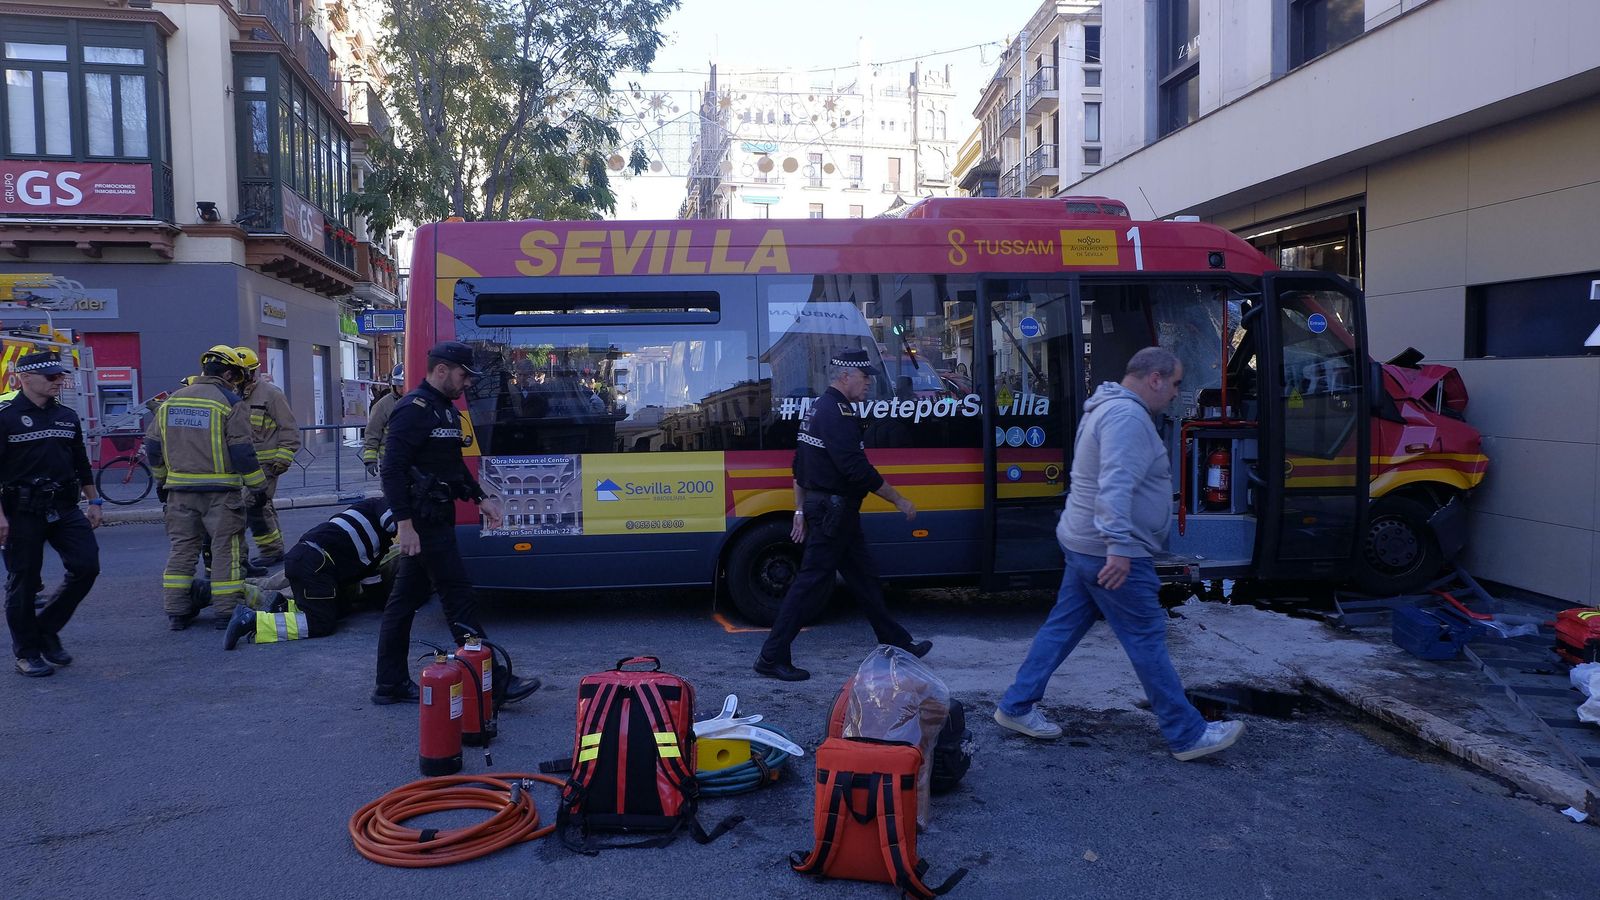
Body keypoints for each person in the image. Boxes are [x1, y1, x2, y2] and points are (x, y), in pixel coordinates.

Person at [992, 346, 1244, 761]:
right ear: (1155, 378)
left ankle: (1015, 705)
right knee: (1146, 638)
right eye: (1176, 383)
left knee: (1062, 627)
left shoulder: (1108, 407)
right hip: (1109, 550)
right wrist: (1121, 548)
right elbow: (1115, 484)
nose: (1177, 393)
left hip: (1084, 543)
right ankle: (1187, 735)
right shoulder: (1126, 417)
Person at [372, 341, 539, 705]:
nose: (467, 384)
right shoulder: (412, 410)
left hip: (438, 517)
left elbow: (451, 468)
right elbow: (392, 469)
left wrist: (480, 498)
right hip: (423, 521)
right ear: (442, 370)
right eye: (464, 375)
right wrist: (405, 523)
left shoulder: (444, 411)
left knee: (404, 603)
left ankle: (390, 684)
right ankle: (493, 683)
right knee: (458, 597)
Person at [753, 348, 930, 682]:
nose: (867, 385)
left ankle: (896, 641)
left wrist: (800, 509)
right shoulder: (838, 414)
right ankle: (771, 656)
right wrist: (899, 500)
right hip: (834, 512)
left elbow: (799, 466)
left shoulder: (818, 409)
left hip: (834, 511)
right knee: (810, 584)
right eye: (864, 378)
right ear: (845, 376)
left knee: (864, 579)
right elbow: (856, 470)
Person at [146, 345, 268, 630]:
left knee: (182, 550)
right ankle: (226, 613)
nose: (237, 383)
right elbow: (242, 451)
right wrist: (258, 486)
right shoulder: (229, 402)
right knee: (226, 550)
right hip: (221, 493)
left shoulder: (171, 401)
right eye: (237, 378)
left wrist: (162, 479)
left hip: (179, 493)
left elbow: (153, 446)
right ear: (227, 373)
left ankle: (176, 611)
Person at [0, 351, 101, 676]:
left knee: (86, 567)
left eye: (60, 376)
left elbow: (80, 461)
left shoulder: (67, 416)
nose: (58, 381)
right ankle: (27, 652)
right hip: (21, 511)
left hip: (64, 506)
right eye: (51, 377)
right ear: (25, 378)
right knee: (24, 582)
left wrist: (94, 500)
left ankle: (46, 629)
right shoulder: (6, 416)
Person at [223, 496, 396, 649]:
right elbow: (393, 522)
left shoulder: (370, 531)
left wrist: (392, 606)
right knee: (320, 623)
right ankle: (253, 621)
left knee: (340, 608)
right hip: (316, 563)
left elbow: (371, 580)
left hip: (306, 558)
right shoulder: (382, 505)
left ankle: (280, 605)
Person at [235, 347, 300, 568]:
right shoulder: (231, 395)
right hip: (242, 465)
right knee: (262, 505)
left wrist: (282, 459)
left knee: (251, 503)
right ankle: (275, 549)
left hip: (267, 465)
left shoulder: (271, 394)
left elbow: (289, 429)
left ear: (251, 372)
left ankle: (267, 551)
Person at [362, 364, 405, 476]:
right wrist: (370, 460)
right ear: (393, 385)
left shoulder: (418, 402)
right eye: (399, 386)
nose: (403, 389)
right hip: (390, 459)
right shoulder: (383, 405)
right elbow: (372, 432)